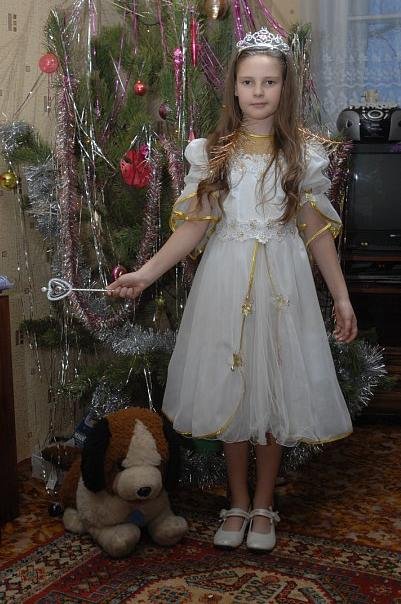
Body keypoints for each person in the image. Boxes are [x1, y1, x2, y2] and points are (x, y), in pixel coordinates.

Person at [107, 27, 358, 552]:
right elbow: (193, 228)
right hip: (225, 286)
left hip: (282, 290)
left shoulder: (302, 155)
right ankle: (237, 500)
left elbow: (316, 233)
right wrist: (146, 273)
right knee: (234, 391)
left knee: (272, 393)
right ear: (235, 88)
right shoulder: (213, 154)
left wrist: (340, 296)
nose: (258, 91)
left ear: (285, 87)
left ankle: (264, 504)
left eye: (269, 82)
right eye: (248, 82)